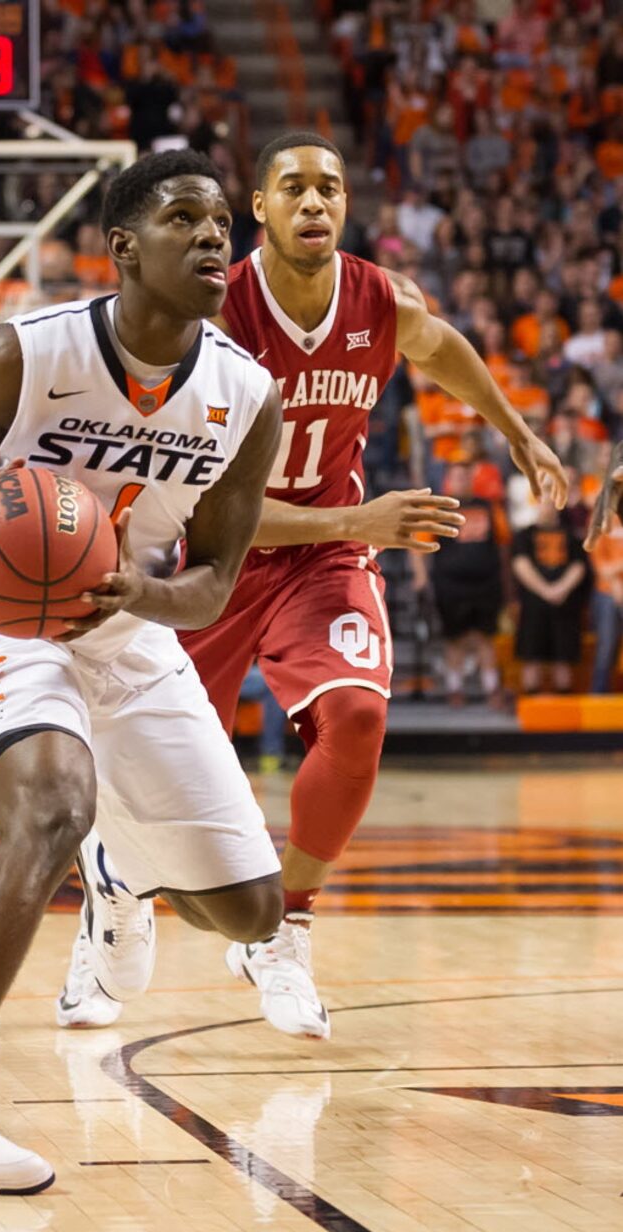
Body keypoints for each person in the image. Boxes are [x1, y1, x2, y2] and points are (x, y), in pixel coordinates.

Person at [63, 132, 567, 1039]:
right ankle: (116, 893)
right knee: (150, 772)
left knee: (362, 720)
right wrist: (359, 519)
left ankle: (284, 933)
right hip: (212, 559)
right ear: (258, 207)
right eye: (293, 187)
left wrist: (516, 433)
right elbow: (217, 505)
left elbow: (442, 345)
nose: (314, 203)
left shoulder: (379, 297)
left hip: (326, 562)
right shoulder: (211, 318)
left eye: (329, 188)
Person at [0, 149, 285, 1196]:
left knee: (248, 912)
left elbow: (214, 583)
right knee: (50, 804)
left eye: (221, 225)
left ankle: (119, 874)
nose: (211, 239)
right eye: (184, 220)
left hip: (128, 628)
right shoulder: (16, 352)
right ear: (122, 248)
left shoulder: (245, 395)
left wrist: (140, 595)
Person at [430, 461, 512, 707]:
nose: (462, 481)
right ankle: (455, 688)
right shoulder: (438, 508)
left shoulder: (488, 506)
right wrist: (422, 578)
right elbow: (420, 545)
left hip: (486, 582)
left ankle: (491, 688)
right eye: (457, 476)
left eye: (466, 476)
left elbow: (503, 542)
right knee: (454, 638)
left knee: (486, 636)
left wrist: (506, 579)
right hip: (450, 583)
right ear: (448, 480)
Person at [511, 498, 588, 695]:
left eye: (551, 504)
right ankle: (531, 704)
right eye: (543, 503)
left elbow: (579, 565)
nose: (547, 508)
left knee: (563, 659)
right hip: (533, 605)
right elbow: (520, 564)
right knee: (531, 657)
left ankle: (564, 710)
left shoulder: (571, 534)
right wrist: (545, 590)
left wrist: (561, 589)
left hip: (565, 605)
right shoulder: (524, 535)